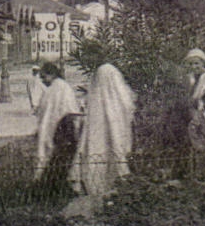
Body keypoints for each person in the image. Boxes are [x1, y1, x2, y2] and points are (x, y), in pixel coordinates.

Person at [76, 59, 135, 201]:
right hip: (114, 135)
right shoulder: (119, 99)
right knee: (113, 156)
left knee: (97, 157)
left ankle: (97, 191)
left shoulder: (96, 99)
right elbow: (129, 109)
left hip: (98, 138)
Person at [33, 62, 80, 194]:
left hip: (60, 130)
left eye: (44, 77)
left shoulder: (60, 88)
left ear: (52, 74)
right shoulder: (57, 88)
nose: (42, 80)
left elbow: (66, 111)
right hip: (57, 129)